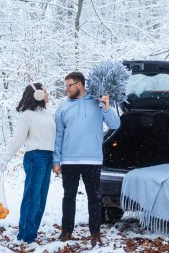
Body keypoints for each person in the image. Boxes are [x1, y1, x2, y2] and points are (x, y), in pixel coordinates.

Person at [52, 71, 120, 247]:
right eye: (66, 85)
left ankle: (95, 233)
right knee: (69, 197)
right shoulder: (62, 108)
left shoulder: (97, 103)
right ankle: (66, 231)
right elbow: (58, 136)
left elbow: (115, 125)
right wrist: (56, 160)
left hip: (92, 159)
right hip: (69, 160)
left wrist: (107, 107)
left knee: (94, 198)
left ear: (80, 84)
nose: (66, 89)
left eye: (69, 85)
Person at [0, 83, 56, 244]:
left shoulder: (48, 113)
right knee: (32, 198)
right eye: (45, 90)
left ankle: (32, 233)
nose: (47, 93)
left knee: (41, 198)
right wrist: (5, 158)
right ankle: (25, 236)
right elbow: (17, 139)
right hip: (35, 157)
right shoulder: (27, 114)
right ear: (37, 93)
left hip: (48, 157)